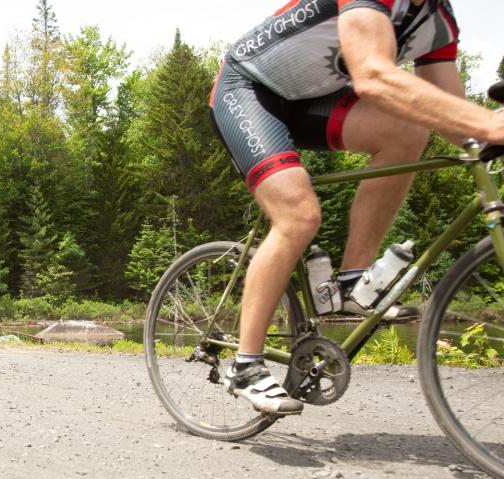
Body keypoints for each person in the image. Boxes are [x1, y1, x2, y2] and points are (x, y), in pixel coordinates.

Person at [209, 0, 504, 416]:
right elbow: (373, 76)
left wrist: (487, 135)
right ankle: (246, 366)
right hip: (249, 91)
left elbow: (449, 110)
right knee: (298, 215)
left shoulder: (439, 21)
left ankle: (349, 282)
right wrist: (489, 124)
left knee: (406, 133)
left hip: (314, 99)